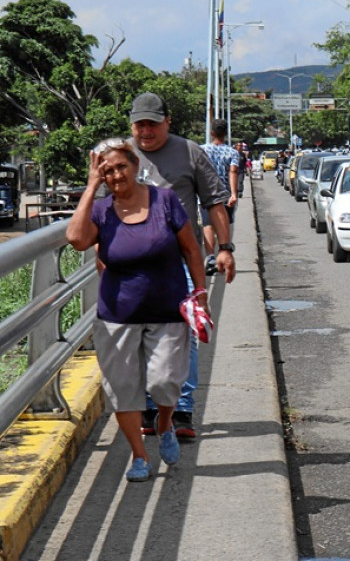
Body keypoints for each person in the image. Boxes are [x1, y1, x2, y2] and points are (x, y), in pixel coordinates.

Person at [66, 139, 208, 482]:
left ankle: (164, 423)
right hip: (118, 315)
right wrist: (90, 187)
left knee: (165, 383)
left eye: (120, 167)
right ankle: (140, 456)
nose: (115, 175)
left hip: (168, 311)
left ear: (135, 165)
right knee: (124, 390)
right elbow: (76, 238)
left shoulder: (165, 200)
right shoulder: (101, 210)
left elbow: (190, 249)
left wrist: (200, 293)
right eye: (107, 170)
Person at [130, 92, 234, 439]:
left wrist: (225, 248)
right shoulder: (121, 154)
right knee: (143, 336)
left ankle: (182, 411)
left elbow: (214, 202)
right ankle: (148, 406)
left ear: (167, 122)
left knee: (186, 333)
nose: (145, 131)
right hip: (134, 266)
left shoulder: (189, 151)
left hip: (183, 260)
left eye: (152, 124)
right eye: (139, 124)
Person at [201, 119, 240, 275]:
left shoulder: (202, 150)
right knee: (224, 225)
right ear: (225, 134)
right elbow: (233, 172)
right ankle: (223, 253)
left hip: (206, 193)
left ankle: (210, 258)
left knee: (208, 225)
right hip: (224, 194)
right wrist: (233, 194)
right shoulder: (232, 152)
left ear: (211, 133)